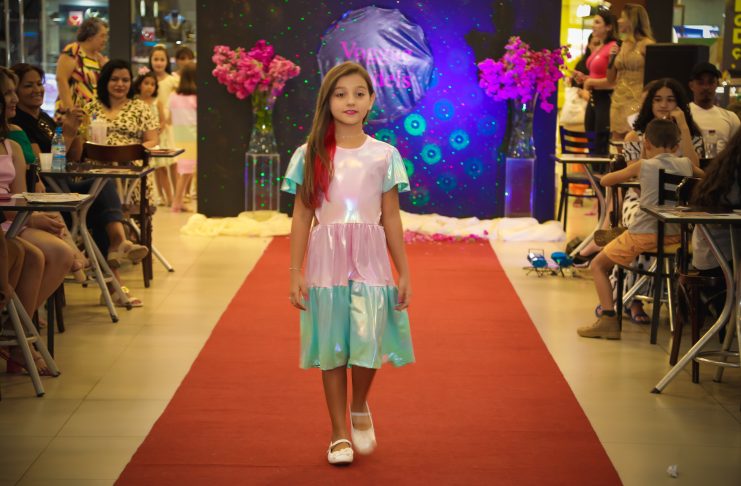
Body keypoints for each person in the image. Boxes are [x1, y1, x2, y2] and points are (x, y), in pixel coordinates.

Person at [282, 61, 415, 465]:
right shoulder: (310, 153)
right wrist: (295, 271)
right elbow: (302, 216)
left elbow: (391, 216)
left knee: (368, 337)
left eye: (359, 93)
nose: (350, 101)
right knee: (334, 346)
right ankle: (338, 433)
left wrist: (404, 270)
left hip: (371, 258)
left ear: (372, 100)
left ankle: (359, 404)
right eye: (340, 94)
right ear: (327, 101)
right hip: (327, 262)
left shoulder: (384, 155)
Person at [9, 63, 149, 296]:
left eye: (39, 84)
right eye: (28, 86)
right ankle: (113, 283)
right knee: (98, 207)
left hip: (64, 184)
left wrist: (77, 131)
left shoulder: (43, 118)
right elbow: (42, 163)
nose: (37, 90)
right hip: (47, 193)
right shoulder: (20, 123)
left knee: (102, 185)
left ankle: (119, 243)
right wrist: (68, 132)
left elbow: (73, 156)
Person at [578, 118, 703, 339]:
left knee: (597, 265)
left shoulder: (643, 165)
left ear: (646, 144)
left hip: (642, 235)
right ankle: (616, 238)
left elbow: (607, 181)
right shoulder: (686, 164)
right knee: (625, 236)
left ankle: (608, 318)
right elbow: (706, 179)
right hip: (676, 237)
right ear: (677, 145)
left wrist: (640, 163)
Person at [607, 3, 655, 140]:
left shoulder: (647, 44)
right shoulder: (621, 44)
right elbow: (610, 79)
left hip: (638, 100)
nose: (618, 21)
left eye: (622, 17)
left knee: (633, 141)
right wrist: (612, 57)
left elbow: (654, 77)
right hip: (618, 100)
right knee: (617, 142)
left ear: (632, 20)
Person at [579, 8, 618, 154]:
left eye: (597, 22)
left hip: (605, 99)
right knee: (591, 142)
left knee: (600, 144)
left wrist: (591, 83)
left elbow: (614, 81)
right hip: (593, 98)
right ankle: (592, 168)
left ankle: (600, 169)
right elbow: (596, 75)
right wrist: (585, 78)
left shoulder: (613, 47)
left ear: (608, 27)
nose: (593, 25)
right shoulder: (600, 46)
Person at [55, 17, 109, 116]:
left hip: (93, 115)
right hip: (73, 113)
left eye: (106, 36)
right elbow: (61, 79)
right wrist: (70, 110)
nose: (105, 40)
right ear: (90, 36)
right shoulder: (74, 51)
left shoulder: (99, 57)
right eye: (102, 36)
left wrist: (106, 68)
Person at [148, 45, 178, 206]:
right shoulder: (148, 80)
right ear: (150, 60)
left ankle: (176, 195)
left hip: (168, 123)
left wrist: (170, 117)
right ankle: (161, 196)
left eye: (162, 59)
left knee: (172, 162)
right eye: (155, 59)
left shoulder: (172, 81)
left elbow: (178, 100)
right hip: (153, 122)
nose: (158, 63)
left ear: (167, 61)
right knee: (158, 163)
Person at [688, 61, 741, 155]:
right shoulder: (682, 115)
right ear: (691, 86)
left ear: (717, 84)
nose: (706, 87)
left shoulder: (731, 118)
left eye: (711, 82)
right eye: (701, 83)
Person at [169, 62, 197, 212]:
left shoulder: (174, 96)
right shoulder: (195, 97)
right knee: (187, 171)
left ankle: (178, 200)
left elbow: (169, 117)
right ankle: (177, 202)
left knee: (185, 170)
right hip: (192, 136)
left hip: (178, 135)